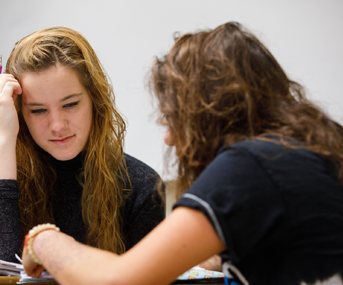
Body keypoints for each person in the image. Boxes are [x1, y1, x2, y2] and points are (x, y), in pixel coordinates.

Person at [20, 22, 343, 285]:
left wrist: (44, 239)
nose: (171, 138)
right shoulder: (305, 151)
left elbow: (116, 281)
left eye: (174, 119)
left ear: (211, 112)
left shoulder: (249, 165)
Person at [0, 27, 165, 263]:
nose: (57, 125)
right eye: (38, 110)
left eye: (70, 105)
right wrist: (3, 136)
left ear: (95, 100)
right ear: (20, 112)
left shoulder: (141, 185)